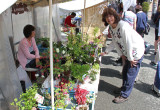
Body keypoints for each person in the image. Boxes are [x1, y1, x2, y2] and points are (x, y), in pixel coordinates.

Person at [101, 7, 144, 104]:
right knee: (124, 72)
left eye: (111, 16)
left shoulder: (123, 26)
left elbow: (129, 43)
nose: (109, 18)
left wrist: (131, 58)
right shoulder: (111, 28)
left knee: (130, 74)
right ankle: (123, 89)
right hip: (128, 53)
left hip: (136, 51)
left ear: (115, 16)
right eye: (107, 17)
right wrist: (107, 52)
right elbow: (114, 42)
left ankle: (124, 95)